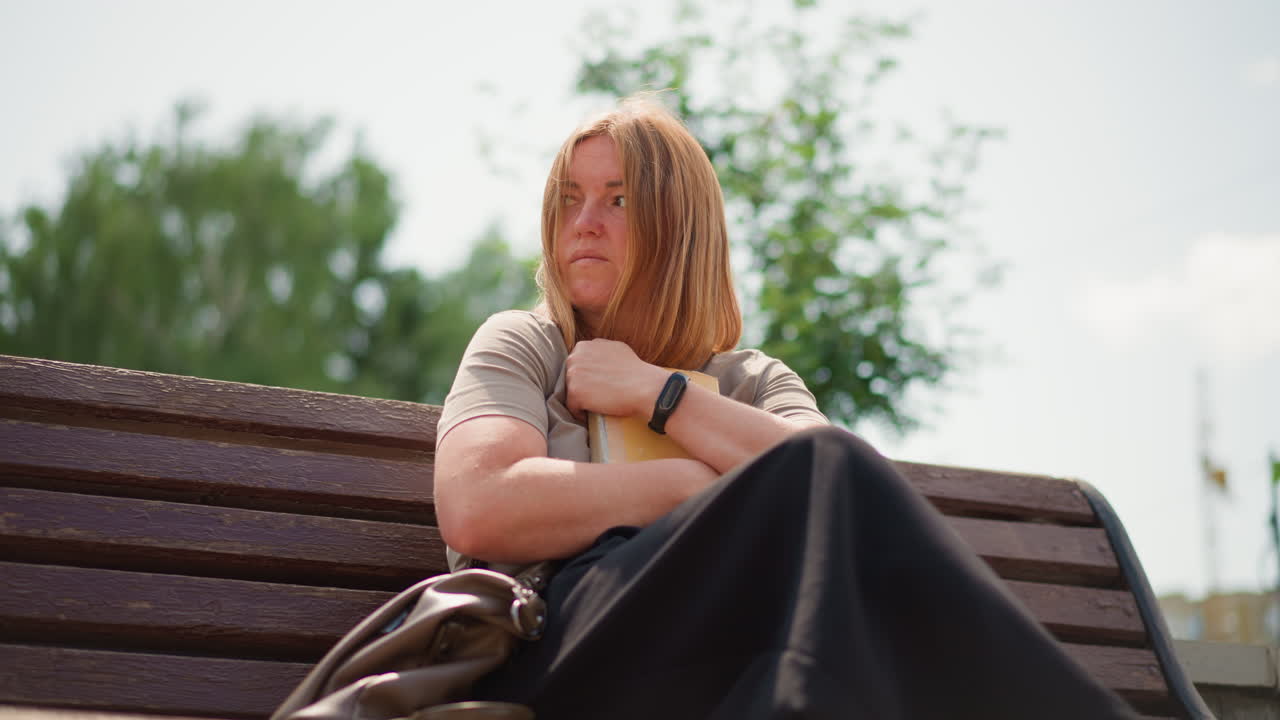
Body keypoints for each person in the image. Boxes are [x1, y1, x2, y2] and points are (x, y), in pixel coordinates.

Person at [434, 96, 1137, 719]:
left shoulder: (752, 379)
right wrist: (687, 489)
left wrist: (658, 393)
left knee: (828, 548)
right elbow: (480, 504)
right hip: (559, 642)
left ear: (679, 228)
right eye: (570, 198)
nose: (584, 223)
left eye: (618, 200)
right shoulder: (526, 341)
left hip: (727, 652)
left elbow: (840, 493)